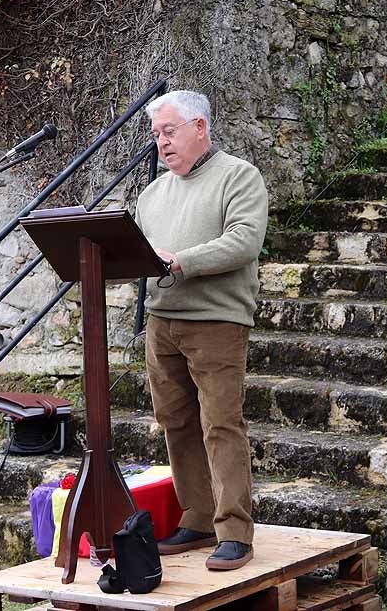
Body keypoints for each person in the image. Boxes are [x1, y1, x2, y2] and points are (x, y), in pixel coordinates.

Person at [135, 90, 269, 571]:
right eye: (155, 135)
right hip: (161, 321)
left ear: (199, 127)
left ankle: (235, 530)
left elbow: (244, 241)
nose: (161, 144)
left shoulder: (239, 176)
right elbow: (136, 251)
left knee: (220, 423)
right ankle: (197, 517)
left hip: (216, 321)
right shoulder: (152, 194)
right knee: (174, 420)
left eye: (169, 132)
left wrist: (183, 262)